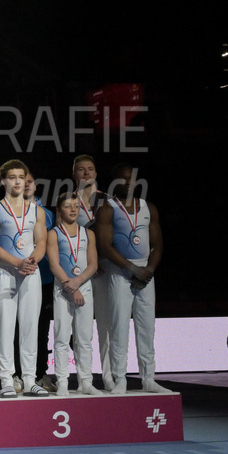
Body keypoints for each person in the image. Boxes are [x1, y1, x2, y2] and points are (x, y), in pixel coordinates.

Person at [95, 164, 169, 394]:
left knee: (147, 327)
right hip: (119, 272)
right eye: (123, 179)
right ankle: (120, 379)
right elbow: (104, 246)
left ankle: (148, 378)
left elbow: (157, 244)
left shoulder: (149, 207)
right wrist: (131, 269)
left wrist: (148, 270)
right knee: (119, 327)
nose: (128, 183)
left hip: (145, 273)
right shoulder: (107, 209)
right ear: (115, 182)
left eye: (131, 179)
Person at [0, 159, 49, 397]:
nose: (17, 181)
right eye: (12, 177)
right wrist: (17, 263)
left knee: (30, 326)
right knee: (6, 325)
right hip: (6, 270)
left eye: (21, 177)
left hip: (30, 271)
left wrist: (32, 260)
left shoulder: (37, 211)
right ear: (3, 181)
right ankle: (6, 380)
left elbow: (41, 242)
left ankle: (30, 378)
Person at [46, 193, 101, 396]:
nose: (73, 209)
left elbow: (93, 264)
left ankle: (85, 381)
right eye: (68, 206)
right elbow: (54, 264)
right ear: (59, 210)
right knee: (61, 337)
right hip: (63, 289)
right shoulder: (54, 234)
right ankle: (62, 381)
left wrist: (78, 283)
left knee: (84, 338)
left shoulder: (89, 234)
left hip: (83, 287)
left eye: (76, 206)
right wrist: (71, 286)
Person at [72, 154, 114, 390]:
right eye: (81, 170)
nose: (86, 173)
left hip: (106, 272)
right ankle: (84, 378)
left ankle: (108, 376)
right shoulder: (69, 203)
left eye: (90, 169)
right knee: (82, 330)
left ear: (96, 174)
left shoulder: (109, 202)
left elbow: (114, 239)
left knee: (106, 327)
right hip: (83, 274)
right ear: (74, 174)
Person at [24, 172, 57, 391]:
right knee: (18, 327)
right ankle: (17, 374)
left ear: (35, 186)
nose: (24, 185)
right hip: (16, 275)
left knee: (41, 329)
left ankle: (40, 373)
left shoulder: (46, 214)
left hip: (43, 277)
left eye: (28, 181)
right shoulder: (4, 209)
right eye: (18, 180)